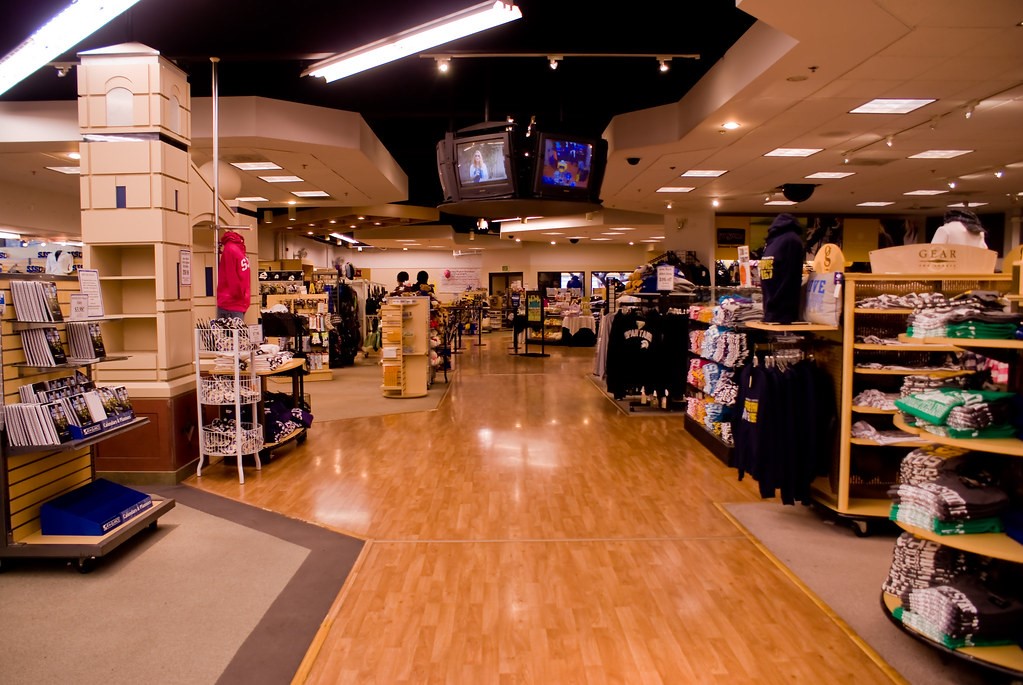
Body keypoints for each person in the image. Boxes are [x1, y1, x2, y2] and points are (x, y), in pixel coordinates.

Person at [759, 213, 805, 324]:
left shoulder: (772, 242)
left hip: (771, 310)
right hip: (783, 312)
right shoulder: (792, 240)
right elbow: (790, 276)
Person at [217, 230, 250, 319]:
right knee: (237, 327)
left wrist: (238, 296)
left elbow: (232, 276)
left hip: (231, 302)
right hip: (238, 302)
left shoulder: (230, 249)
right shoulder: (238, 251)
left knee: (227, 328)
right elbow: (238, 277)